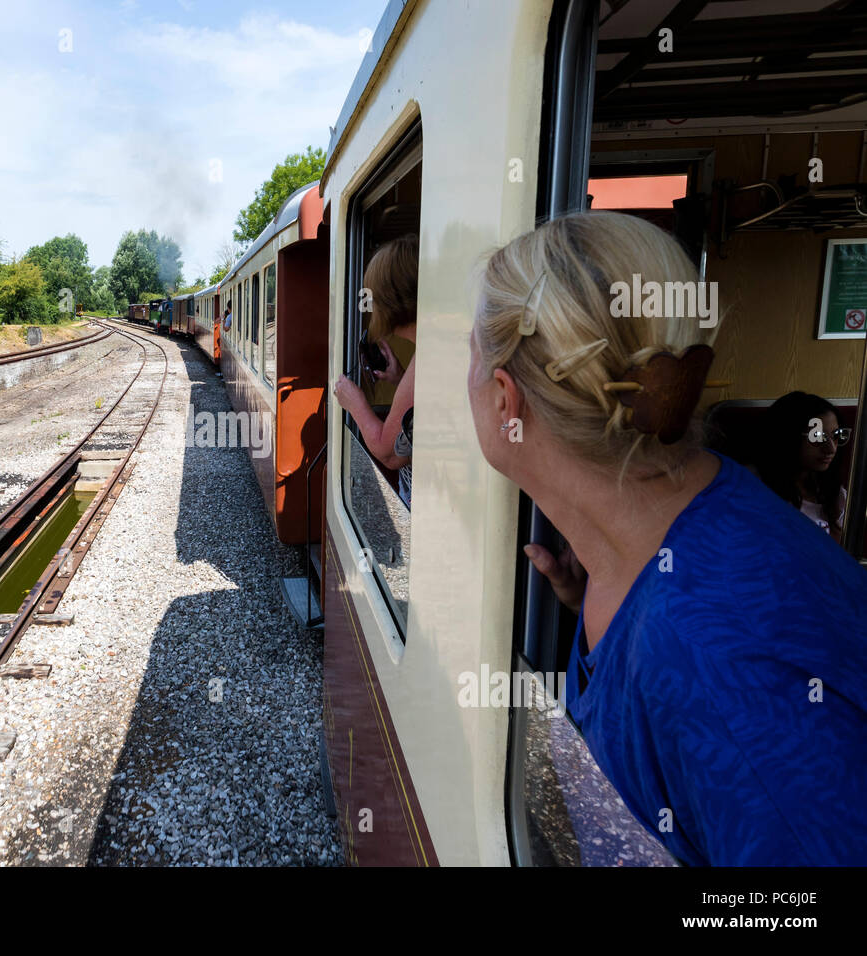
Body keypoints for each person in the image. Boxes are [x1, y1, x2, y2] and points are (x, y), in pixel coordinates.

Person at [467, 210, 867, 865]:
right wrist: (596, 600)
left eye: (470, 358)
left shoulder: (716, 671)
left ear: (506, 400)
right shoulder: (702, 516)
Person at [332, 233, 418, 506]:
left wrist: (354, 402)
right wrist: (401, 379)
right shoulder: (435, 348)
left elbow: (390, 453)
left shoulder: (425, 360)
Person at [756, 390, 850, 543]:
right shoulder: (754, 485)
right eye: (817, 436)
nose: (831, 449)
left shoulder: (834, 494)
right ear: (788, 436)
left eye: (836, 435)